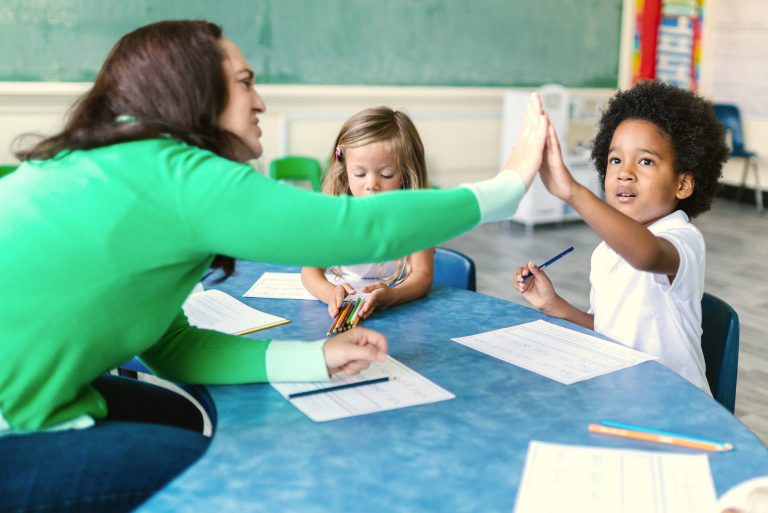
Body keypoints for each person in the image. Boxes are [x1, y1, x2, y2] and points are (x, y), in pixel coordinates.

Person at [0, 20, 549, 513]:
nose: (260, 102)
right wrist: (507, 186)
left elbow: (175, 348)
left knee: (188, 422)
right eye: (244, 82)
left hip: (32, 401)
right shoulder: (175, 173)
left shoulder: (123, 167)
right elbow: (353, 227)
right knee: (207, 466)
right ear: (195, 91)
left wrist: (314, 357)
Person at [513, 80, 728, 393]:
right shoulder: (608, 251)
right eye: (615, 160)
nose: (625, 172)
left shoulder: (682, 238)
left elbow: (647, 255)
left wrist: (573, 192)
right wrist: (555, 305)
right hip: (621, 393)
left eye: (645, 161)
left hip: (675, 407)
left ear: (682, 184)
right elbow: (606, 330)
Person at [301, 107, 433, 320]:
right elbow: (310, 272)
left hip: (399, 314)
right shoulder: (335, 215)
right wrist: (329, 292)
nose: (372, 184)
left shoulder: (415, 219)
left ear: (406, 175)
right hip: (341, 310)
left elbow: (423, 275)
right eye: (360, 173)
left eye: (386, 174)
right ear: (345, 170)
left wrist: (394, 295)